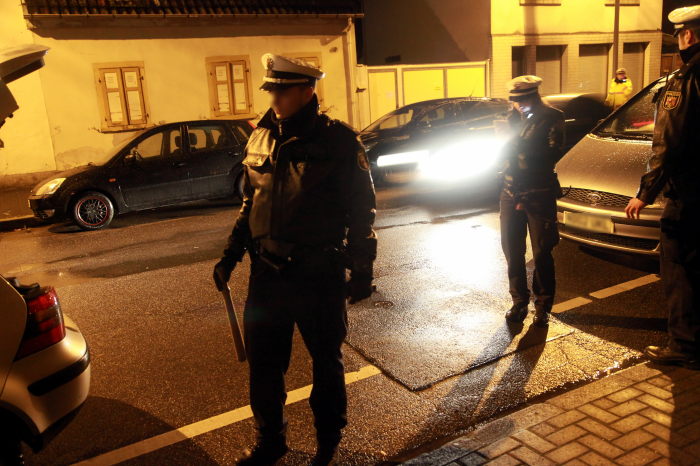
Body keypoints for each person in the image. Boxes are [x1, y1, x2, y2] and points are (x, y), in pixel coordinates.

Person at [213, 53, 377, 465]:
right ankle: (271, 441)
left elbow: (362, 211)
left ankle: (328, 441)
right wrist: (230, 256)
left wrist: (361, 269)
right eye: (272, 90)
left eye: (282, 91)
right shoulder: (260, 138)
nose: (275, 99)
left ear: (307, 91)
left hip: (317, 273)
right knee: (264, 368)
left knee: (326, 362)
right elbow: (250, 204)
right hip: (266, 276)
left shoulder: (339, 141)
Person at [625, 5, 700, 369]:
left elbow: (666, 143)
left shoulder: (684, 80)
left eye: (680, 34)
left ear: (688, 34)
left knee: (679, 268)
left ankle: (684, 346)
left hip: (689, 195)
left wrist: (645, 193)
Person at [500, 75, 565, 328]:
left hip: (538, 192)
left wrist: (518, 144)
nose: (519, 105)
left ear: (534, 96)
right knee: (512, 250)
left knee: (541, 251)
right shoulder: (509, 119)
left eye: (523, 100)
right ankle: (518, 301)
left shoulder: (551, 116)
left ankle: (543, 305)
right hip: (509, 191)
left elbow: (553, 152)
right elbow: (501, 154)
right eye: (515, 101)